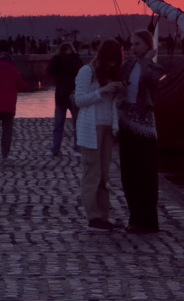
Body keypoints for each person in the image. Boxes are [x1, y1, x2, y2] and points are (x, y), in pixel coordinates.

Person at [117, 30, 166, 233]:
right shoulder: (127, 65)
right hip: (125, 121)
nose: (133, 48)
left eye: (137, 44)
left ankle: (149, 220)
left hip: (144, 125)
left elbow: (151, 80)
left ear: (148, 45)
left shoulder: (155, 67)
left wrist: (147, 60)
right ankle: (134, 218)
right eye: (132, 44)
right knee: (129, 174)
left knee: (146, 174)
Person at [74, 39, 124, 232]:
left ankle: (104, 216)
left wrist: (118, 92)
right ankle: (93, 217)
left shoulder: (111, 74)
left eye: (115, 61)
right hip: (91, 128)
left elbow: (112, 105)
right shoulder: (87, 72)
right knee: (91, 173)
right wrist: (101, 91)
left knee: (104, 175)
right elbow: (79, 100)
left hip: (107, 127)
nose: (112, 65)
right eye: (110, 61)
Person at [46, 42, 83, 157]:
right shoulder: (73, 60)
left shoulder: (70, 60)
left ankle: (57, 150)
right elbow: (50, 70)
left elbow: (50, 70)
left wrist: (59, 57)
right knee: (69, 125)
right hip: (68, 96)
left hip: (67, 95)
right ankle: (75, 150)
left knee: (62, 126)